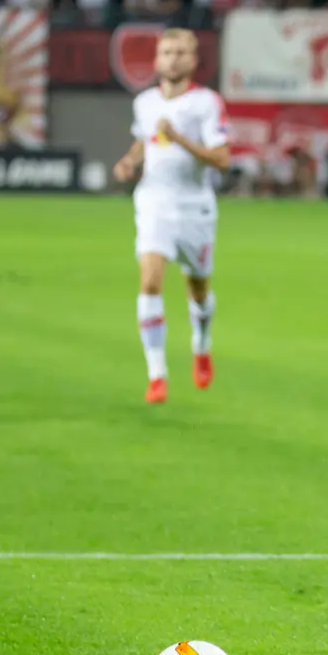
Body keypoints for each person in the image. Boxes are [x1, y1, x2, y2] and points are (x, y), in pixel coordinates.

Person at [113, 28, 229, 404]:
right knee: (149, 281)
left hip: (194, 206)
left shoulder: (207, 103)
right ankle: (157, 375)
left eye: (180, 52)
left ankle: (201, 342)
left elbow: (222, 159)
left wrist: (179, 138)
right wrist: (130, 161)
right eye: (166, 52)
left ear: (193, 61)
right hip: (154, 202)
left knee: (198, 290)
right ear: (157, 60)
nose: (173, 58)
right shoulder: (145, 103)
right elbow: (143, 141)